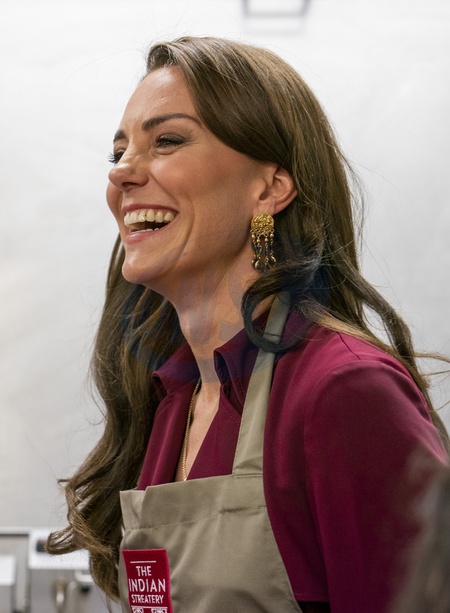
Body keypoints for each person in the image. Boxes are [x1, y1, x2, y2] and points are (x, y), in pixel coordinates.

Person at [47, 36, 449, 613]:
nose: (123, 174)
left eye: (167, 141)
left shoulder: (345, 392)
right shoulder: (173, 399)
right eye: (118, 153)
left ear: (270, 188)